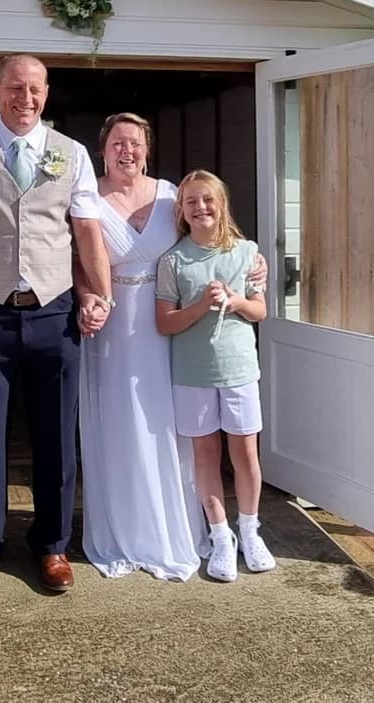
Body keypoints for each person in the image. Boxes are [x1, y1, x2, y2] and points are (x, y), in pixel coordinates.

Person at [0, 54, 113, 599]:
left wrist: (101, 294)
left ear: (47, 93)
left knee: (56, 435)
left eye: (36, 89)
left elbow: (87, 231)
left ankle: (51, 544)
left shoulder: (71, 153)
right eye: (16, 87)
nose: (26, 98)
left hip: (54, 309)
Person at [76, 113, 206, 580]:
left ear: (147, 149)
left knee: (166, 421)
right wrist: (88, 297)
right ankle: (123, 529)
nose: (126, 150)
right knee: (118, 422)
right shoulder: (86, 193)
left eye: (135, 143)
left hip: (165, 320)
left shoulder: (172, 195)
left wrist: (253, 262)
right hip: (111, 326)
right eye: (117, 142)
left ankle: (172, 528)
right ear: (103, 148)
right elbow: (73, 258)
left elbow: (209, 239)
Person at [155, 169, 277, 582]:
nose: (200, 207)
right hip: (192, 373)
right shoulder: (173, 260)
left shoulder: (247, 252)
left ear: (221, 204)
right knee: (205, 455)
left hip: (239, 369)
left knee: (245, 454)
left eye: (208, 200)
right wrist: (201, 305)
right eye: (191, 202)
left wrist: (238, 299)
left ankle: (250, 530)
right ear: (182, 211)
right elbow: (165, 324)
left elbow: (260, 312)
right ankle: (220, 537)